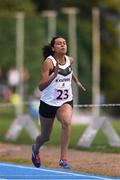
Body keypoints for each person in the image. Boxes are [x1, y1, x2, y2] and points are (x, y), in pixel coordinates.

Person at [32, 36, 86, 169]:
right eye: (59, 44)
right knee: (45, 137)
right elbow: (41, 86)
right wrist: (53, 76)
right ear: (53, 48)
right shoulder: (48, 63)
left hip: (65, 101)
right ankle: (35, 149)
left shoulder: (69, 59)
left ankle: (63, 159)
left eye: (64, 43)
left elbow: (68, 70)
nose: (62, 45)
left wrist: (76, 81)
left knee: (67, 122)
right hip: (48, 103)